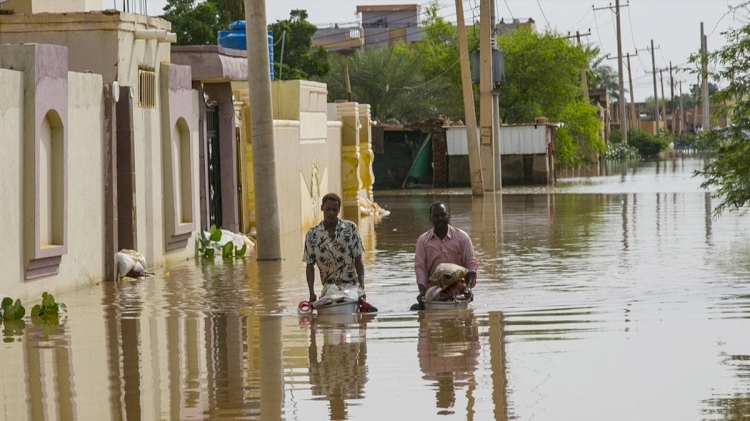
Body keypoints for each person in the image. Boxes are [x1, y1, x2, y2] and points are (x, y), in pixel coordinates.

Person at [412, 202, 478, 310]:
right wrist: (423, 292)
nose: (440, 218)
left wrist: (468, 287)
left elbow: (471, 264)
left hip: (458, 289)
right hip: (434, 290)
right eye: (436, 216)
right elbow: (420, 268)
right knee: (415, 309)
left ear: (448, 216)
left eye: (443, 215)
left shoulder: (462, 237)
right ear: (430, 218)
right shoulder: (423, 241)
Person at [304, 193, 367, 305]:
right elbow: (309, 265)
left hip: (351, 287)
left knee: (347, 303)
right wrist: (311, 293)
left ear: (339, 210)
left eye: (334, 209)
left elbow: (358, 260)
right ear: (322, 208)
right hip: (329, 288)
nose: (331, 213)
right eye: (328, 209)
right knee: (329, 302)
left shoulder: (350, 228)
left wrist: (361, 289)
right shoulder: (312, 234)